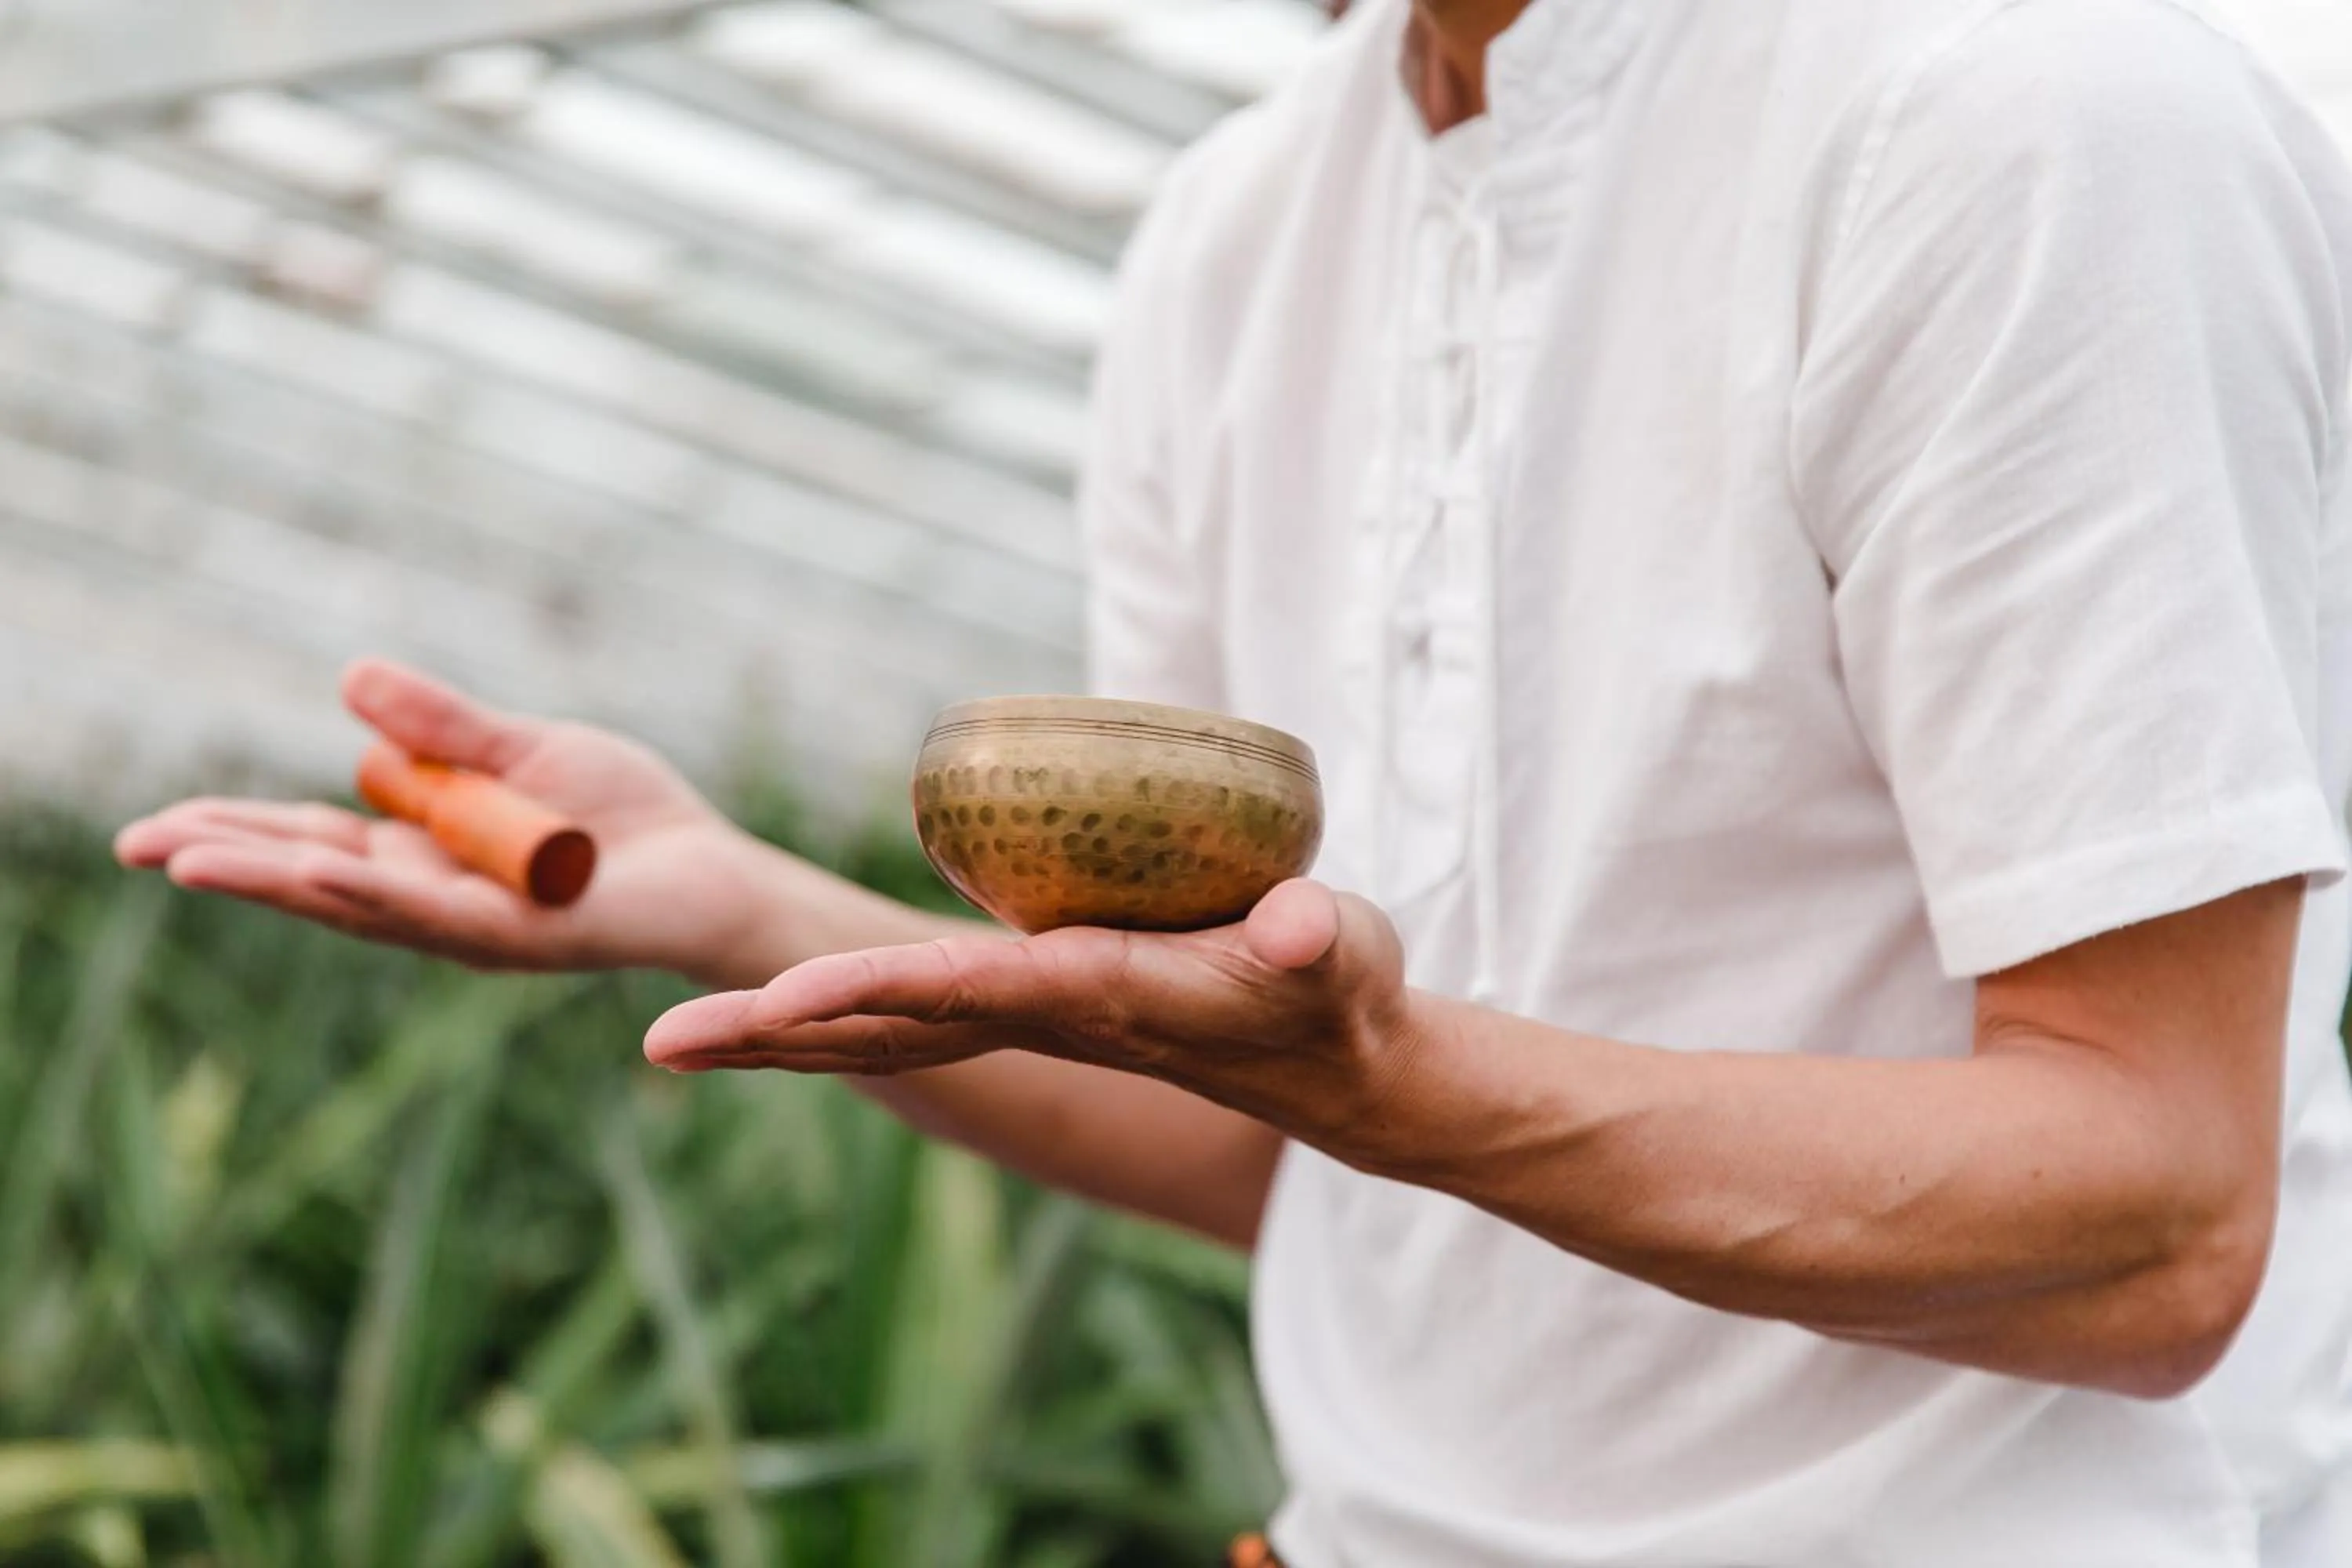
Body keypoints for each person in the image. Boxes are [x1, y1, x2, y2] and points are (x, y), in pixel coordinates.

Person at [117, 0, 2352, 1563]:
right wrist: (734, 898)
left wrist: (1404, 1075)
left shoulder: (2024, 113)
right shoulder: (1235, 236)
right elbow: (1285, 1147)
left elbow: (2154, 1220)